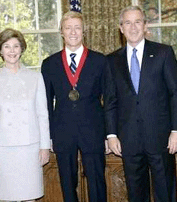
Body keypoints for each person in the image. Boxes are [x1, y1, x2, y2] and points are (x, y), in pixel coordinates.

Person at [107, 6, 177, 202]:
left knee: (165, 192)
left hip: (161, 138)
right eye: (128, 23)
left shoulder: (163, 53)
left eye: (137, 22)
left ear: (145, 25)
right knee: (135, 194)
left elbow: (176, 93)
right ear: (121, 28)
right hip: (128, 140)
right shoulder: (111, 61)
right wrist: (111, 134)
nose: (133, 27)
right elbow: (110, 100)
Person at [41, 11, 117, 202]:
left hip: (93, 130)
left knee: (97, 182)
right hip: (62, 131)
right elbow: (45, 104)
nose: (73, 32)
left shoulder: (100, 61)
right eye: (68, 28)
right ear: (61, 32)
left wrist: (110, 134)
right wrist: (48, 135)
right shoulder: (49, 64)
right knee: (67, 182)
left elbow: (109, 99)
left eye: (77, 27)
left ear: (84, 31)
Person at [0, 28, 51, 202]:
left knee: (30, 196)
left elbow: (43, 114)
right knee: (9, 197)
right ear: (0, 51)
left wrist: (44, 146)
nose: (12, 51)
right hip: (4, 150)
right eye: (7, 46)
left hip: (30, 148)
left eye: (16, 46)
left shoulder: (35, 78)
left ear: (22, 49)